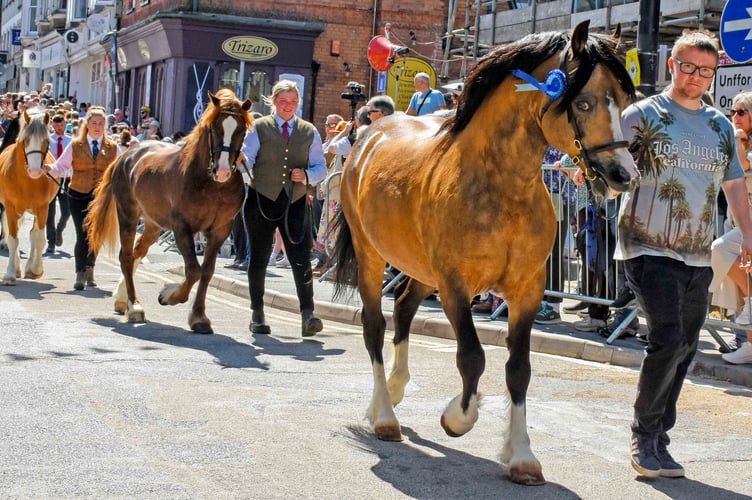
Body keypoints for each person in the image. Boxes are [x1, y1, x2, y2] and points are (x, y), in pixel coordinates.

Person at [615, 30, 752, 479]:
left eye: (706, 71)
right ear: (672, 66)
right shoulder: (641, 115)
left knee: (687, 345)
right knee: (668, 337)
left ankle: (659, 438)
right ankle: (643, 432)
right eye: (689, 67)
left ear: (715, 74)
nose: (696, 78)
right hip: (646, 245)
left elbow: (734, 186)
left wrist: (749, 238)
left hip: (696, 253)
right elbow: (610, 165)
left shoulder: (719, 126)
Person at [242, 79, 327, 337]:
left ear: (298, 102)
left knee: (300, 257)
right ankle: (257, 315)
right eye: (282, 101)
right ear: (273, 102)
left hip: (295, 202)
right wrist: (240, 162)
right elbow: (248, 161)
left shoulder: (309, 130)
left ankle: (308, 315)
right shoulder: (258, 127)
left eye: (292, 101)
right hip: (261, 200)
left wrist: (308, 175)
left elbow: (321, 167)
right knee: (258, 258)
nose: (287, 106)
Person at [45, 106, 118, 290]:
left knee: (96, 234)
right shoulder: (76, 145)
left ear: (105, 126)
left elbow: (120, 168)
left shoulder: (112, 147)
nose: (97, 127)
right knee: (82, 234)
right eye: (94, 123)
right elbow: (61, 165)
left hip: (101, 196)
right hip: (77, 194)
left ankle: (90, 268)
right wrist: (49, 169)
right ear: (87, 125)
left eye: (101, 124)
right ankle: (80, 274)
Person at [710, 91, 752, 362]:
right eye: (733, 113)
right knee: (741, 273)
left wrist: (737, 142)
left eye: (741, 112)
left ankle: (751, 304)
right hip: (738, 221)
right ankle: (748, 343)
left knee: (720, 250)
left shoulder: (741, 145)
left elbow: (744, 169)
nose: (734, 117)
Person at [45, 113, 73, 253]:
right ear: (52, 126)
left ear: (65, 124)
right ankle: (51, 242)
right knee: (50, 213)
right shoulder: (48, 140)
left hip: (66, 179)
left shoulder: (71, 141)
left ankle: (59, 230)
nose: (59, 128)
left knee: (66, 212)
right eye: (56, 126)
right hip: (50, 179)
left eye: (61, 125)